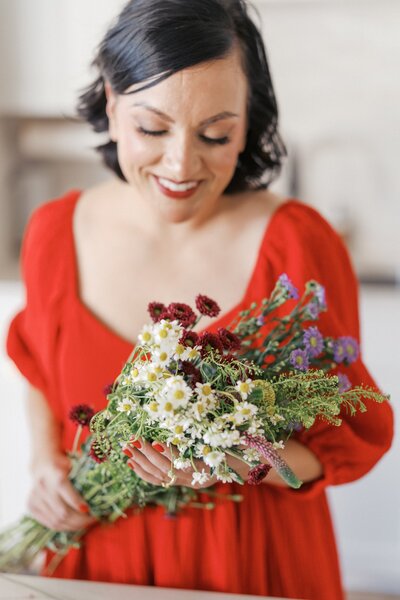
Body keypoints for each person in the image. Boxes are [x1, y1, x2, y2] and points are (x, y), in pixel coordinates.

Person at [6, 1, 393, 598]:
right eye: (152, 128)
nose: (182, 164)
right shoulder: (54, 232)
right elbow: (38, 365)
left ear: (248, 119)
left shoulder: (298, 245)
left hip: (252, 564)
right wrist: (43, 464)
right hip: (96, 563)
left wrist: (230, 460)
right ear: (111, 102)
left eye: (216, 133)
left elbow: (337, 449)